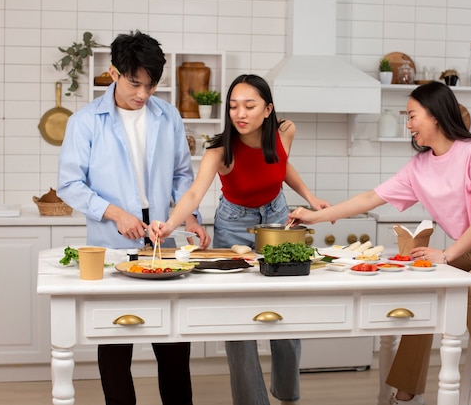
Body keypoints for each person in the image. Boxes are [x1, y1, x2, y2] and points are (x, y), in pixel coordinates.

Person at [287, 81, 471, 405]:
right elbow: (370, 197)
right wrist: (316, 216)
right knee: (423, 294)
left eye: (411, 115)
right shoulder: (420, 167)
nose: (407, 124)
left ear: (435, 115)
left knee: (468, 292)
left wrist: (446, 255)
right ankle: (407, 396)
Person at [149, 74, 329, 405]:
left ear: (267, 109)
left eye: (249, 105)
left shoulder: (285, 131)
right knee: (238, 319)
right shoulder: (220, 150)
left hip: (277, 218)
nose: (240, 113)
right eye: (233, 106)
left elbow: (283, 166)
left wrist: (310, 197)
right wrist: (170, 223)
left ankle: (288, 394)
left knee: (286, 308)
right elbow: (193, 193)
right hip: (234, 225)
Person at [57, 30, 210, 405]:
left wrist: (189, 217)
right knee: (114, 346)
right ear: (113, 72)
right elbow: (69, 184)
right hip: (112, 244)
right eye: (134, 82)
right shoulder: (86, 121)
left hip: (164, 241)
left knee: (174, 344)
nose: (143, 94)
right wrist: (114, 213)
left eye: (151, 85)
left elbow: (181, 175)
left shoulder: (167, 115)